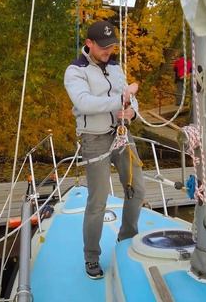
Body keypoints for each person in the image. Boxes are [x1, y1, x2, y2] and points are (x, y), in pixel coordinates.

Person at [64, 20, 146, 280]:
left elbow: (132, 100)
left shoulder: (115, 66)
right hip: (94, 139)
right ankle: (91, 257)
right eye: (103, 47)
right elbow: (84, 102)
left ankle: (126, 241)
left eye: (111, 46)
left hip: (122, 134)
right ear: (89, 44)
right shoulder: (75, 71)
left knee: (137, 189)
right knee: (97, 201)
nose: (108, 51)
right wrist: (120, 100)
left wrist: (132, 111)